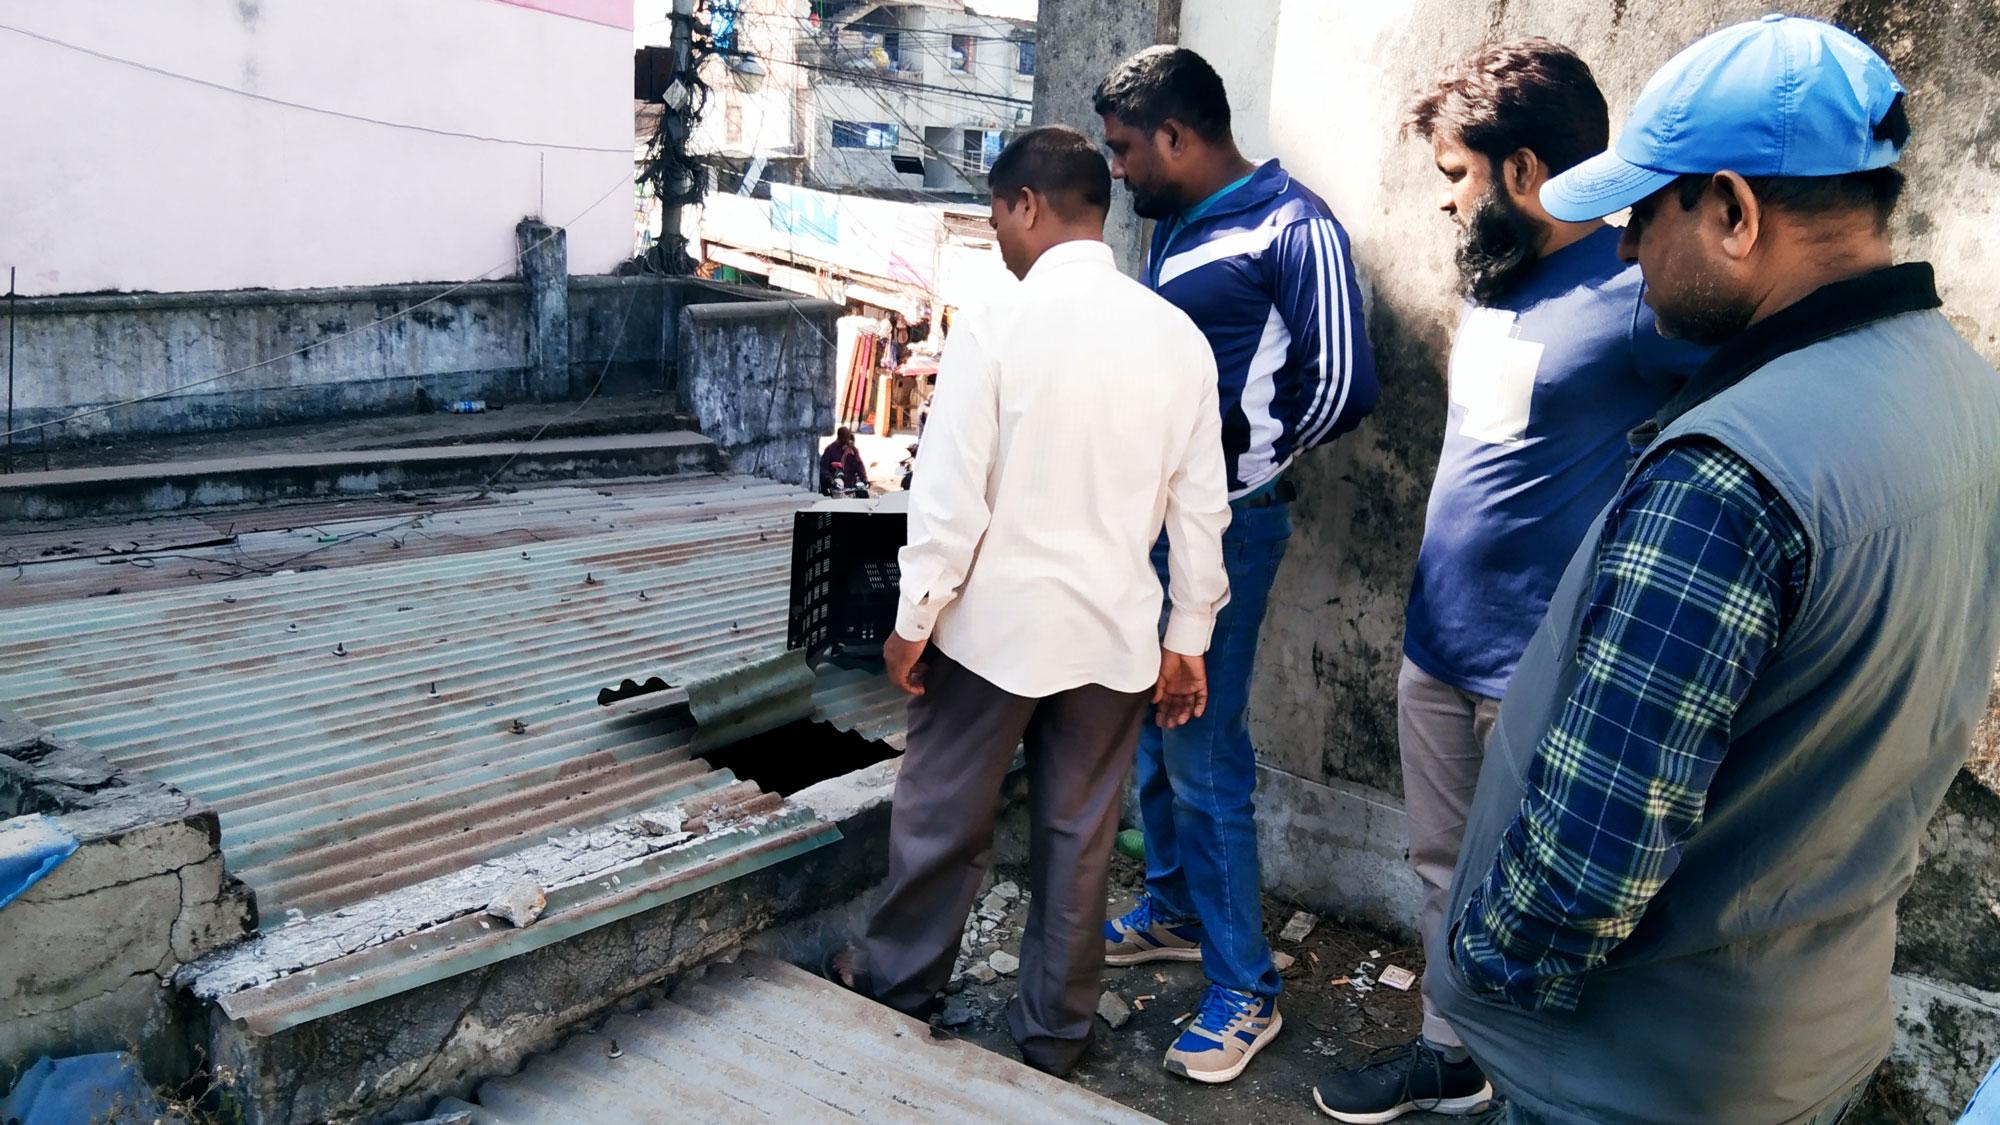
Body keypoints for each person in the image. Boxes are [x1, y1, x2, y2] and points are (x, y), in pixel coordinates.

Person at [1429, 16, 2000, 1124]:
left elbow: (1586, 863)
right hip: (1809, 1029)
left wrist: (1478, 970)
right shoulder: (1962, 392)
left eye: (1645, 211)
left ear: (1732, 212)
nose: (1629, 249)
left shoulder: (1728, 476)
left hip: (1642, 1076)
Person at [1312, 39, 1707, 1123]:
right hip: (1433, 650)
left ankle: (1539, 1091)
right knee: (1441, 868)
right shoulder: (1498, 282)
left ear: (1521, 171)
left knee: (1550, 899)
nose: (1443, 204)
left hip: (1536, 673)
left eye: (1454, 175)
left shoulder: (1638, 298)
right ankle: (1449, 1056)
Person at [835, 126, 1232, 1077]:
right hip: (1113, 638)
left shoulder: (998, 326)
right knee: (1080, 840)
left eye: (997, 214)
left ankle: (898, 988)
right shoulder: (1176, 337)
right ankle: (1054, 1033)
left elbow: (948, 498)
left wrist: (912, 619)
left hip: (992, 634)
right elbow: (1201, 508)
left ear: (1025, 205)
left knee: (940, 821)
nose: (999, 236)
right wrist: (1191, 638)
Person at [1092, 44, 1378, 1085]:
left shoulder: (1293, 228)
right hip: (1154, 528)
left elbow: (1342, 381)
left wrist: (1230, 471)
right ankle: (1170, 908)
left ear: (1176, 134)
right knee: (1152, 726)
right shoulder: (1178, 226)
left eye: (1126, 150)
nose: (1116, 171)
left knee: (1203, 749)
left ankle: (1243, 991)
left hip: (1225, 529)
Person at [819, 427, 868, 496]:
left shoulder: (853, 450)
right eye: (844, 440)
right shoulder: (830, 450)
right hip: (836, 486)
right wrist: (830, 480)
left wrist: (864, 479)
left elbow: (859, 465)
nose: (846, 443)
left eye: (847, 439)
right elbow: (824, 468)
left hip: (851, 486)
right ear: (839, 438)